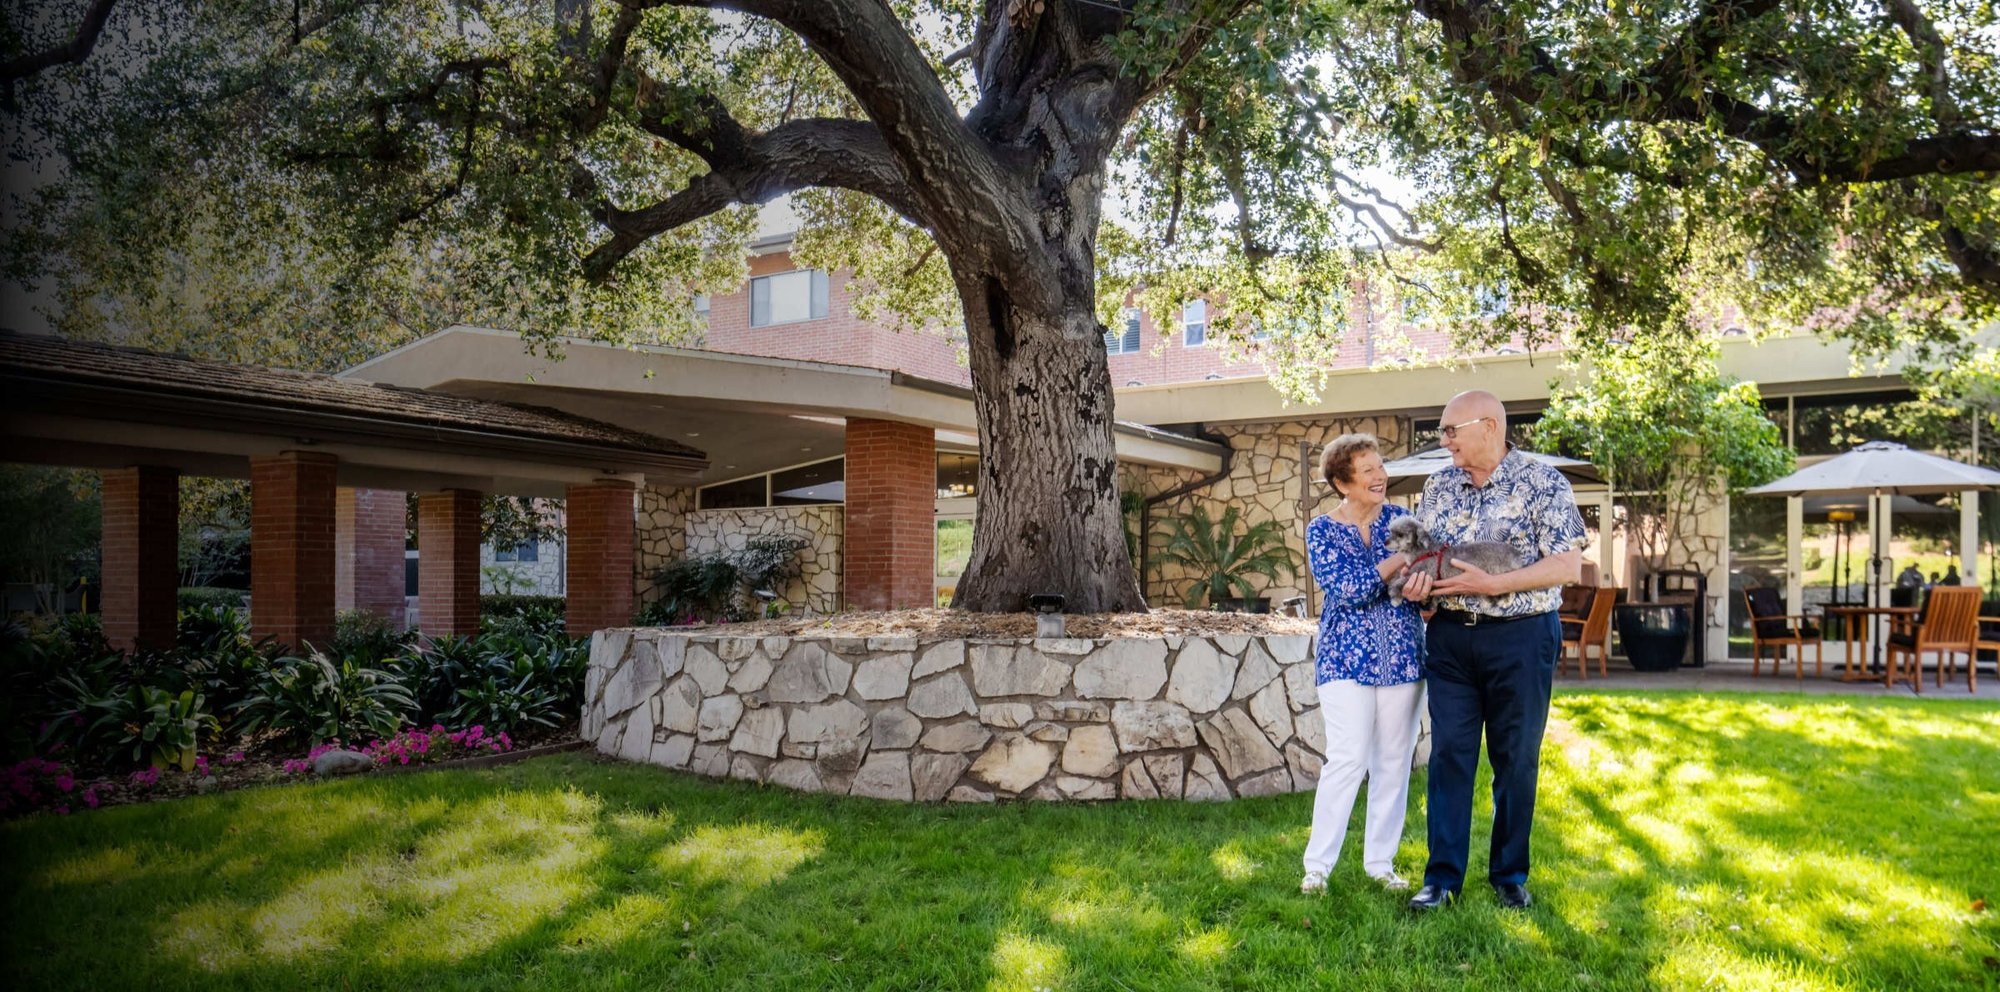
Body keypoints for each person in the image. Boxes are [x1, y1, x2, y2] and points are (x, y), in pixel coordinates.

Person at [1399, 391, 1585, 911]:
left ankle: (1508, 875)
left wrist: (1496, 584)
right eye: (1442, 432)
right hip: (1452, 640)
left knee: (1516, 760)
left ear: (1489, 426)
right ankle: (1441, 879)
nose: (1444, 441)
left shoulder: (1545, 483)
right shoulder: (1437, 487)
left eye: (1450, 430)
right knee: (1450, 756)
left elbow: (1567, 567)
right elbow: (1425, 561)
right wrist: (1421, 593)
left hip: (1522, 638)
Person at [1299, 433, 1426, 895]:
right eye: (1368, 470)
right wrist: (1399, 563)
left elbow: (1430, 570)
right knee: (1348, 757)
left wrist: (1418, 578)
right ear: (1342, 482)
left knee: (1393, 761)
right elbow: (1351, 590)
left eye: (1381, 466)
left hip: (1403, 659)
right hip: (1345, 660)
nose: (1381, 476)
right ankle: (1318, 866)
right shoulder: (1322, 530)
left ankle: (1380, 863)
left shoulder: (1402, 519)